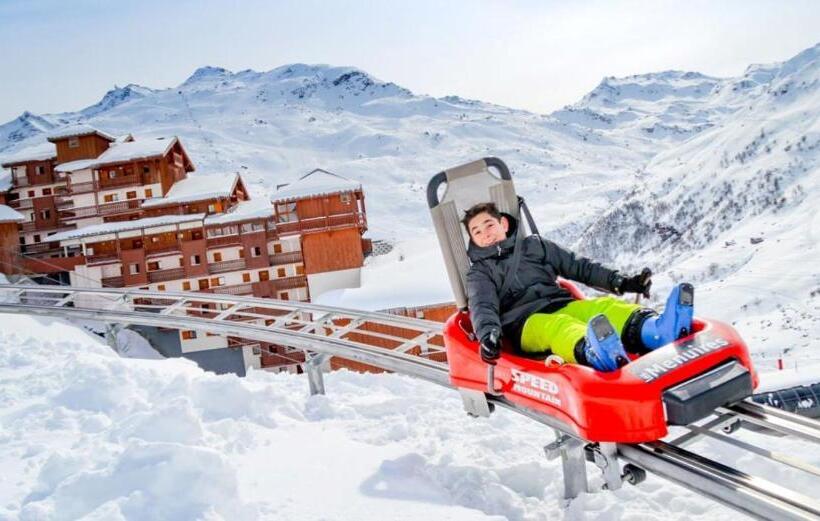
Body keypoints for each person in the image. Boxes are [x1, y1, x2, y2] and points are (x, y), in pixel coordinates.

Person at [463, 202, 694, 372]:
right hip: (524, 323)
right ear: (473, 240)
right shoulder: (479, 273)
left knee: (602, 307)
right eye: (477, 232)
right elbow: (482, 306)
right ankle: (594, 352)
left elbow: (579, 266)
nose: (486, 234)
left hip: (560, 303)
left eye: (489, 225)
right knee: (559, 326)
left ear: (503, 223)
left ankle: (656, 330)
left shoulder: (535, 246)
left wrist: (622, 282)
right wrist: (488, 335)